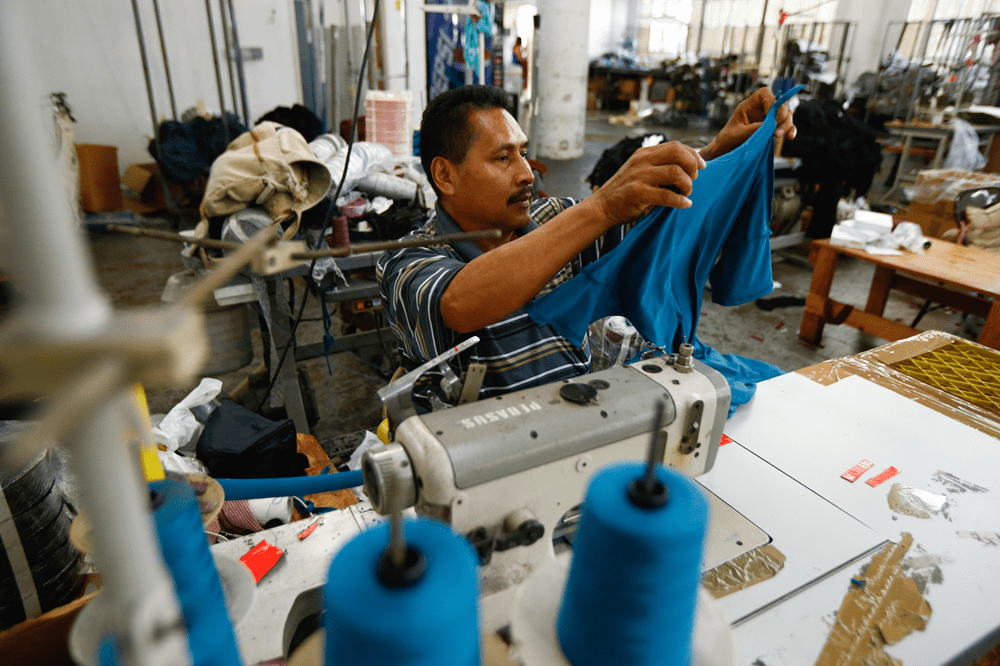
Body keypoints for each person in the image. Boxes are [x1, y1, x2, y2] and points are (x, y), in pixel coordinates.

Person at [376, 85, 796, 411]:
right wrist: (601, 205)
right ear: (445, 176)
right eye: (503, 158)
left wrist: (725, 150)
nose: (527, 174)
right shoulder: (407, 261)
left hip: (579, 418)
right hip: (487, 458)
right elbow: (460, 303)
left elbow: (654, 216)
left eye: (524, 153)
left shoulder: (553, 219)